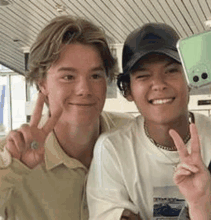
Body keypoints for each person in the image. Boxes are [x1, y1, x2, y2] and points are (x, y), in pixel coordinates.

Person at [0, 15, 134, 220]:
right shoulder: (12, 156)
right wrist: (13, 169)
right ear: (42, 83)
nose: (84, 89)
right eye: (68, 77)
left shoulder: (133, 137)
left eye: (95, 76)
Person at [86, 22, 211, 220]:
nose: (158, 84)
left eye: (171, 71)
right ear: (128, 90)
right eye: (143, 75)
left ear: (189, 80)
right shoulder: (114, 149)